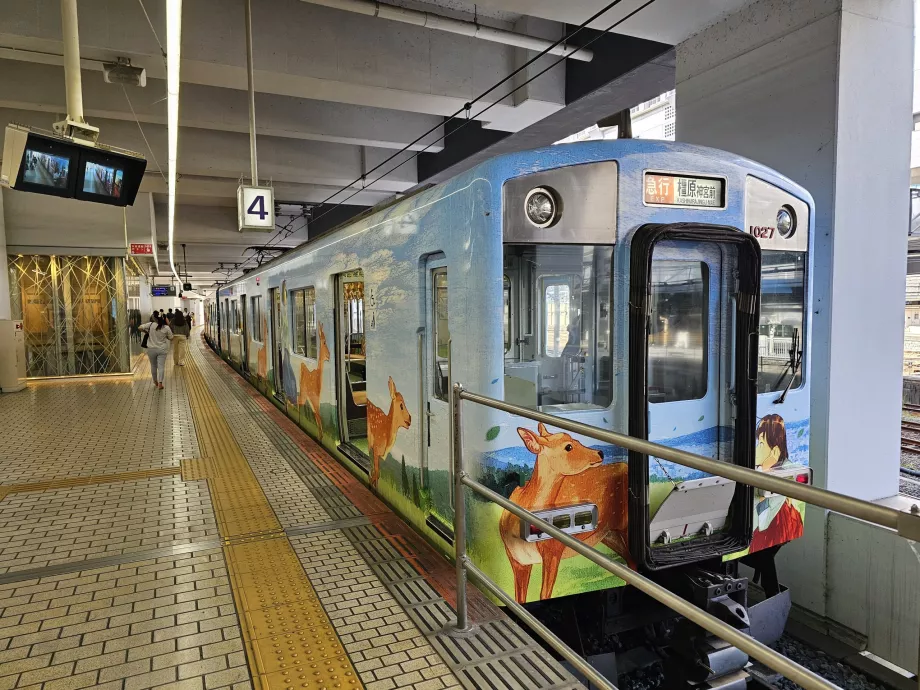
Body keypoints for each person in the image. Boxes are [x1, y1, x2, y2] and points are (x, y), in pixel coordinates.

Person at [749, 414, 804, 552]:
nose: (755, 450)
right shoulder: (767, 469)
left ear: (774, 451)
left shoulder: (784, 475)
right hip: (769, 536)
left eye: (760, 444)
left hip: (771, 531)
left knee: (763, 557)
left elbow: (759, 525)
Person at [138, 314, 173, 389]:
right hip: (162, 349)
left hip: (151, 349)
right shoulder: (166, 327)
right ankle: (160, 383)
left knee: (153, 365)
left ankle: (155, 381)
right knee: (161, 366)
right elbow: (171, 337)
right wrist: (165, 336)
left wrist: (146, 332)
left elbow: (140, 327)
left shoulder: (151, 324)